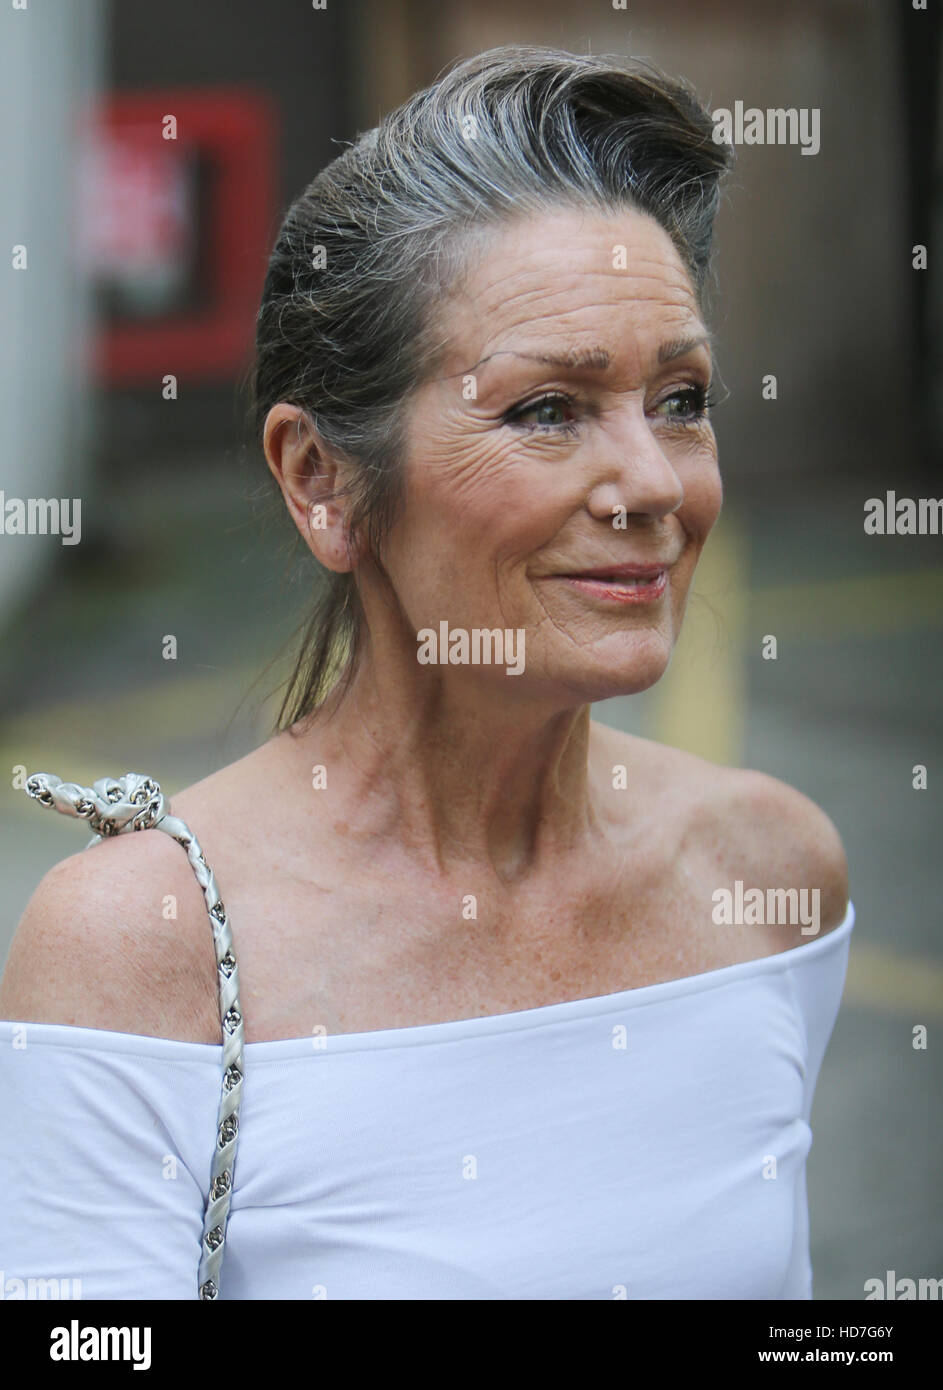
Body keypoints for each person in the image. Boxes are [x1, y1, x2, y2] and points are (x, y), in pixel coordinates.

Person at [0, 45, 852, 1300]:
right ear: (323, 482)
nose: (654, 485)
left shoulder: (771, 875)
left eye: (681, 398)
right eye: (546, 410)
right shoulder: (137, 947)